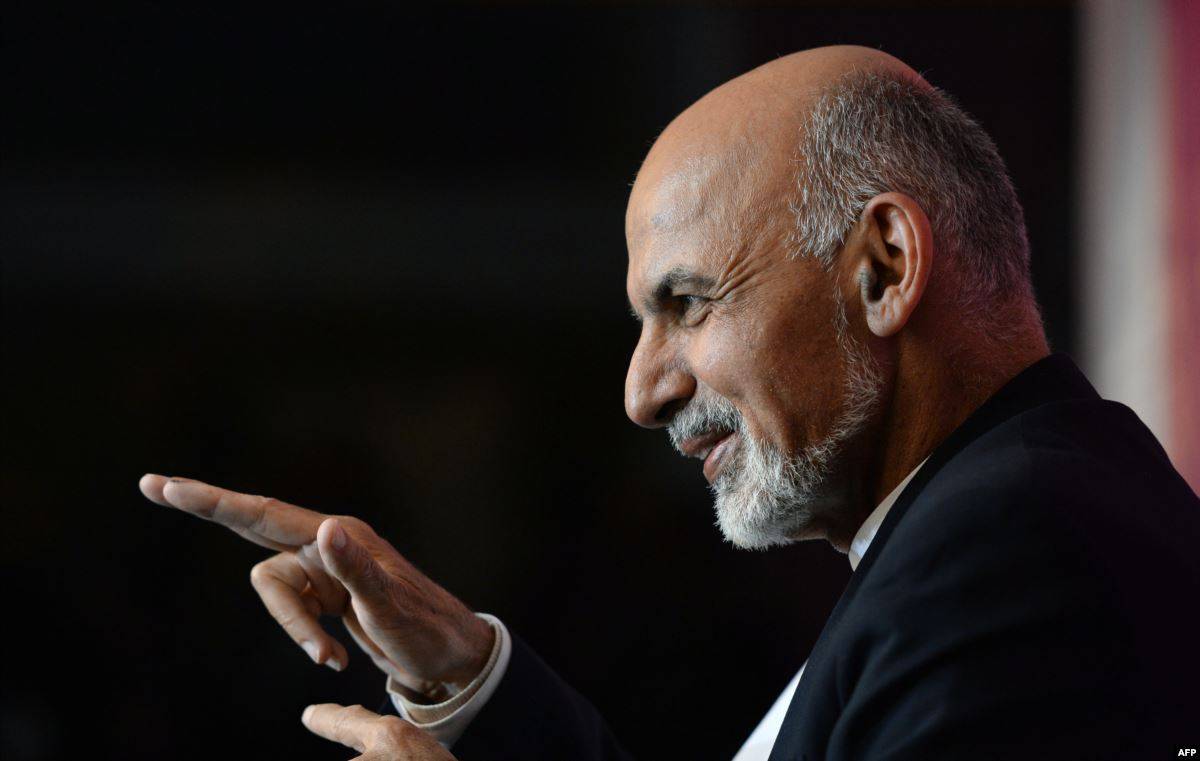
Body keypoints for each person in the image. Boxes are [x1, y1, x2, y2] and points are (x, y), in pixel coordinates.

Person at [139, 45, 1200, 759]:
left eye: (687, 303)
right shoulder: (997, 520)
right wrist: (470, 677)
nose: (643, 391)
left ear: (883, 267)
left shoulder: (1011, 547)